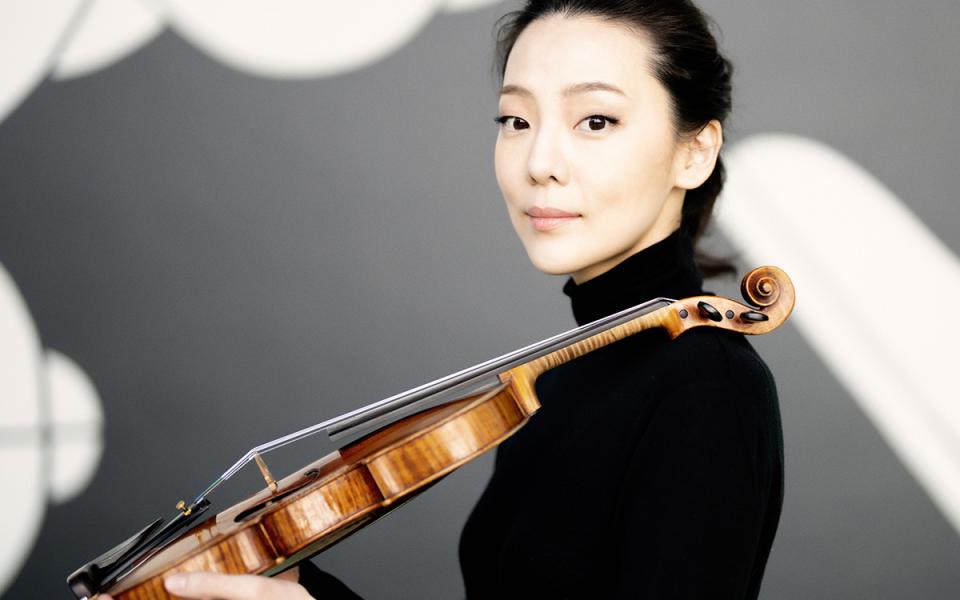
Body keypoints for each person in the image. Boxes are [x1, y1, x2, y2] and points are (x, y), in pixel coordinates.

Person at [105, 1, 783, 598]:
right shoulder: (560, 376)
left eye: (596, 120)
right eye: (516, 120)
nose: (539, 162)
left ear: (694, 152)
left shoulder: (708, 387)